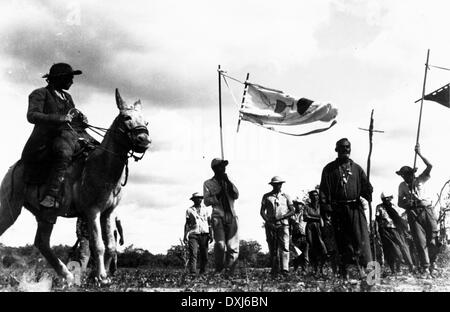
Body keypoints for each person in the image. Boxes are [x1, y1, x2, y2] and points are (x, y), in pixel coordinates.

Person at [21, 63, 95, 211]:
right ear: (59, 79)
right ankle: (51, 195)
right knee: (64, 152)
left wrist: (81, 121)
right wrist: (60, 118)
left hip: (69, 135)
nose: (72, 82)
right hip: (47, 139)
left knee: (95, 147)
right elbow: (32, 115)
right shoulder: (40, 93)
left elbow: (72, 118)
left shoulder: (67, 97)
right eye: (69, 79)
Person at [319, 138, 373, 279]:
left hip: (356, 209)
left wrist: (368, 190)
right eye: (342, 147)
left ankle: (370, 275)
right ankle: (347, 274)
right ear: (336, 150)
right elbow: (324, 193)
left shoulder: (357, 168)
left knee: (362, 239)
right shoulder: (329, 169)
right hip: (338, 210)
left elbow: (366, 188)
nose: (345, 150)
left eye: (348, 147)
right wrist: (326, 213)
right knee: (343, 242)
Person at [397, 144, 440, 275]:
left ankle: (433, 262)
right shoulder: (402, 186)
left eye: (407, 175)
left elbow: (430, 166)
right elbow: (399, 203)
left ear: (412, 174)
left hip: (426, 210)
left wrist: (420, 153)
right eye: (403, 176)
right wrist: (407, 204)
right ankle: (425, 266)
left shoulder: (421, 179)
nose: (405, 177)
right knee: (420, 241)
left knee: (433, 238)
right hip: (413, 213)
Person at [203, 158, 239, 277]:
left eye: (224, 166)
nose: (223, 168)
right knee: (220, 245)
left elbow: (236, 195)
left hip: (232, 216)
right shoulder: (208, 183)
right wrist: (218, 194)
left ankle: (230, 272)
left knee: (232, 246)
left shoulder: (228, 181)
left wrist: (227, 182)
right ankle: (219, 269)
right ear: (214, 168)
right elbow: (207, 202)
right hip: (218, 216)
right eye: (220, 166)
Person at [260, 176, 295, 276]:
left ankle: (285, 270)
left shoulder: (286, 196)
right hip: (271, 225)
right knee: (272, 247)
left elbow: (292, 210)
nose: (277, 186)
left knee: (285, 247)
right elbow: (262, 211)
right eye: (275, 184)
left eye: (279, 184)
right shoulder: (266, 196)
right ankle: (274, 269)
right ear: (272, 185)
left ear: (281, 185)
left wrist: (283, 217)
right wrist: (268, 222)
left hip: (283, 224)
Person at [375, 193, 414, 275]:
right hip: (385, 230)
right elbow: (377, 220)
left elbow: (400, 218)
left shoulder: (394, 207)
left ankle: (407, 266)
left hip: (396, 230)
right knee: (389, 250)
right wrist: (377, 231)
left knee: (402, 247)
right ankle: (393, 269)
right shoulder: (379, 207)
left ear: (391, 198)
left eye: (388, 198)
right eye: (384, 199)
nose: (386, 200)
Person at [183, 192, 213, 275]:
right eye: (197, 198)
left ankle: (203, 272)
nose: (199, 199)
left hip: (204, 233)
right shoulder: (189, 210)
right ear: (193, 200)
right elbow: (187, 223)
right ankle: (192, 272)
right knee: (193, 253)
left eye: (200, 198)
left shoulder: (206, 209)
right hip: (193, 233)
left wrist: (211, 234)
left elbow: (209, 223)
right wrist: (185, 235)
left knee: (205, 255)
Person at [303, 190, 328, 276]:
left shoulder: (321, 206)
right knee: (313, 248)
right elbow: (305, 217)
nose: (315, 197)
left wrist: (320, 219)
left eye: (316, 195)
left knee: (324, 249)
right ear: (310, 197)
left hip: (320, 229)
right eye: (313, 196)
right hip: (310, 228)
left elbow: (325, 217)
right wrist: (318, 218)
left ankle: (322, 267)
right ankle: (316, 269)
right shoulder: (307, 207)